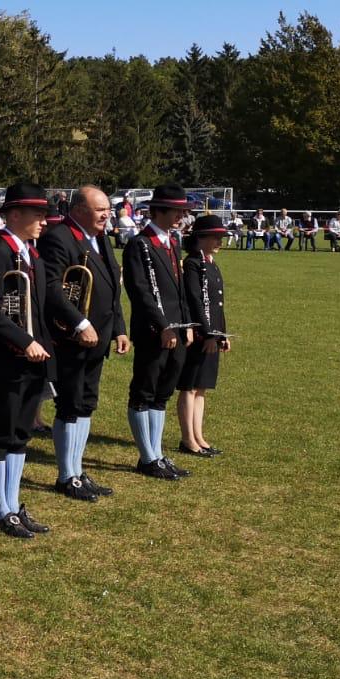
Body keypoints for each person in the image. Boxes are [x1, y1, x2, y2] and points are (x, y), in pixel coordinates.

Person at [38, 186, 129, 502]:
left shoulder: (101, 236)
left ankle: (76, 470)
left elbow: (112, 284)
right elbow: (51, 288)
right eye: (100, 208)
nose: (107, 214)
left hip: (99, 337)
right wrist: (80, 322)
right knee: (70, 404)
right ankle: (66, 475)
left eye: (108, 208)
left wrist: (118, 328)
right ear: (77, 210)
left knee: (86, 403)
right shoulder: (58, 238)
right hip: (72, 338)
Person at [0, 182, 54, 538]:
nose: (43, 221)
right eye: (37, 215)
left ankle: (13, 503)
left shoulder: (30, 255)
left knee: (20, 433)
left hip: (32, 358)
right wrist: (24, 341)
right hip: (7, 357)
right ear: (15, 215)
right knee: (2, 432)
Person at [123, 182, 194, 480]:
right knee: (145, 389)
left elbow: (179, 290)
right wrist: (163, 325)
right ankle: (147, 456)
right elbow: (139, 290)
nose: (181, 216)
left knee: (162, 392)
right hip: (155, 329)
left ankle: (158, 453)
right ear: (159, 210)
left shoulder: (172, 242)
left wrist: (187, 324)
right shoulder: (140, 244)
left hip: (178, 328)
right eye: (177, 211)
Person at [177, 214, 230, 458]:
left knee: (201, 389)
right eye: (215, 236)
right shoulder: (192, 264)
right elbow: (196, 301)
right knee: (189, 387)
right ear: (201, 238)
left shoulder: (210, 263)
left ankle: (199, 436)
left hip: (211, 334)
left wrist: (221, 334)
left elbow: (217, 304)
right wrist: (208, 333)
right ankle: (188, 439)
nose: (220, 241)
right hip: (198, 335)